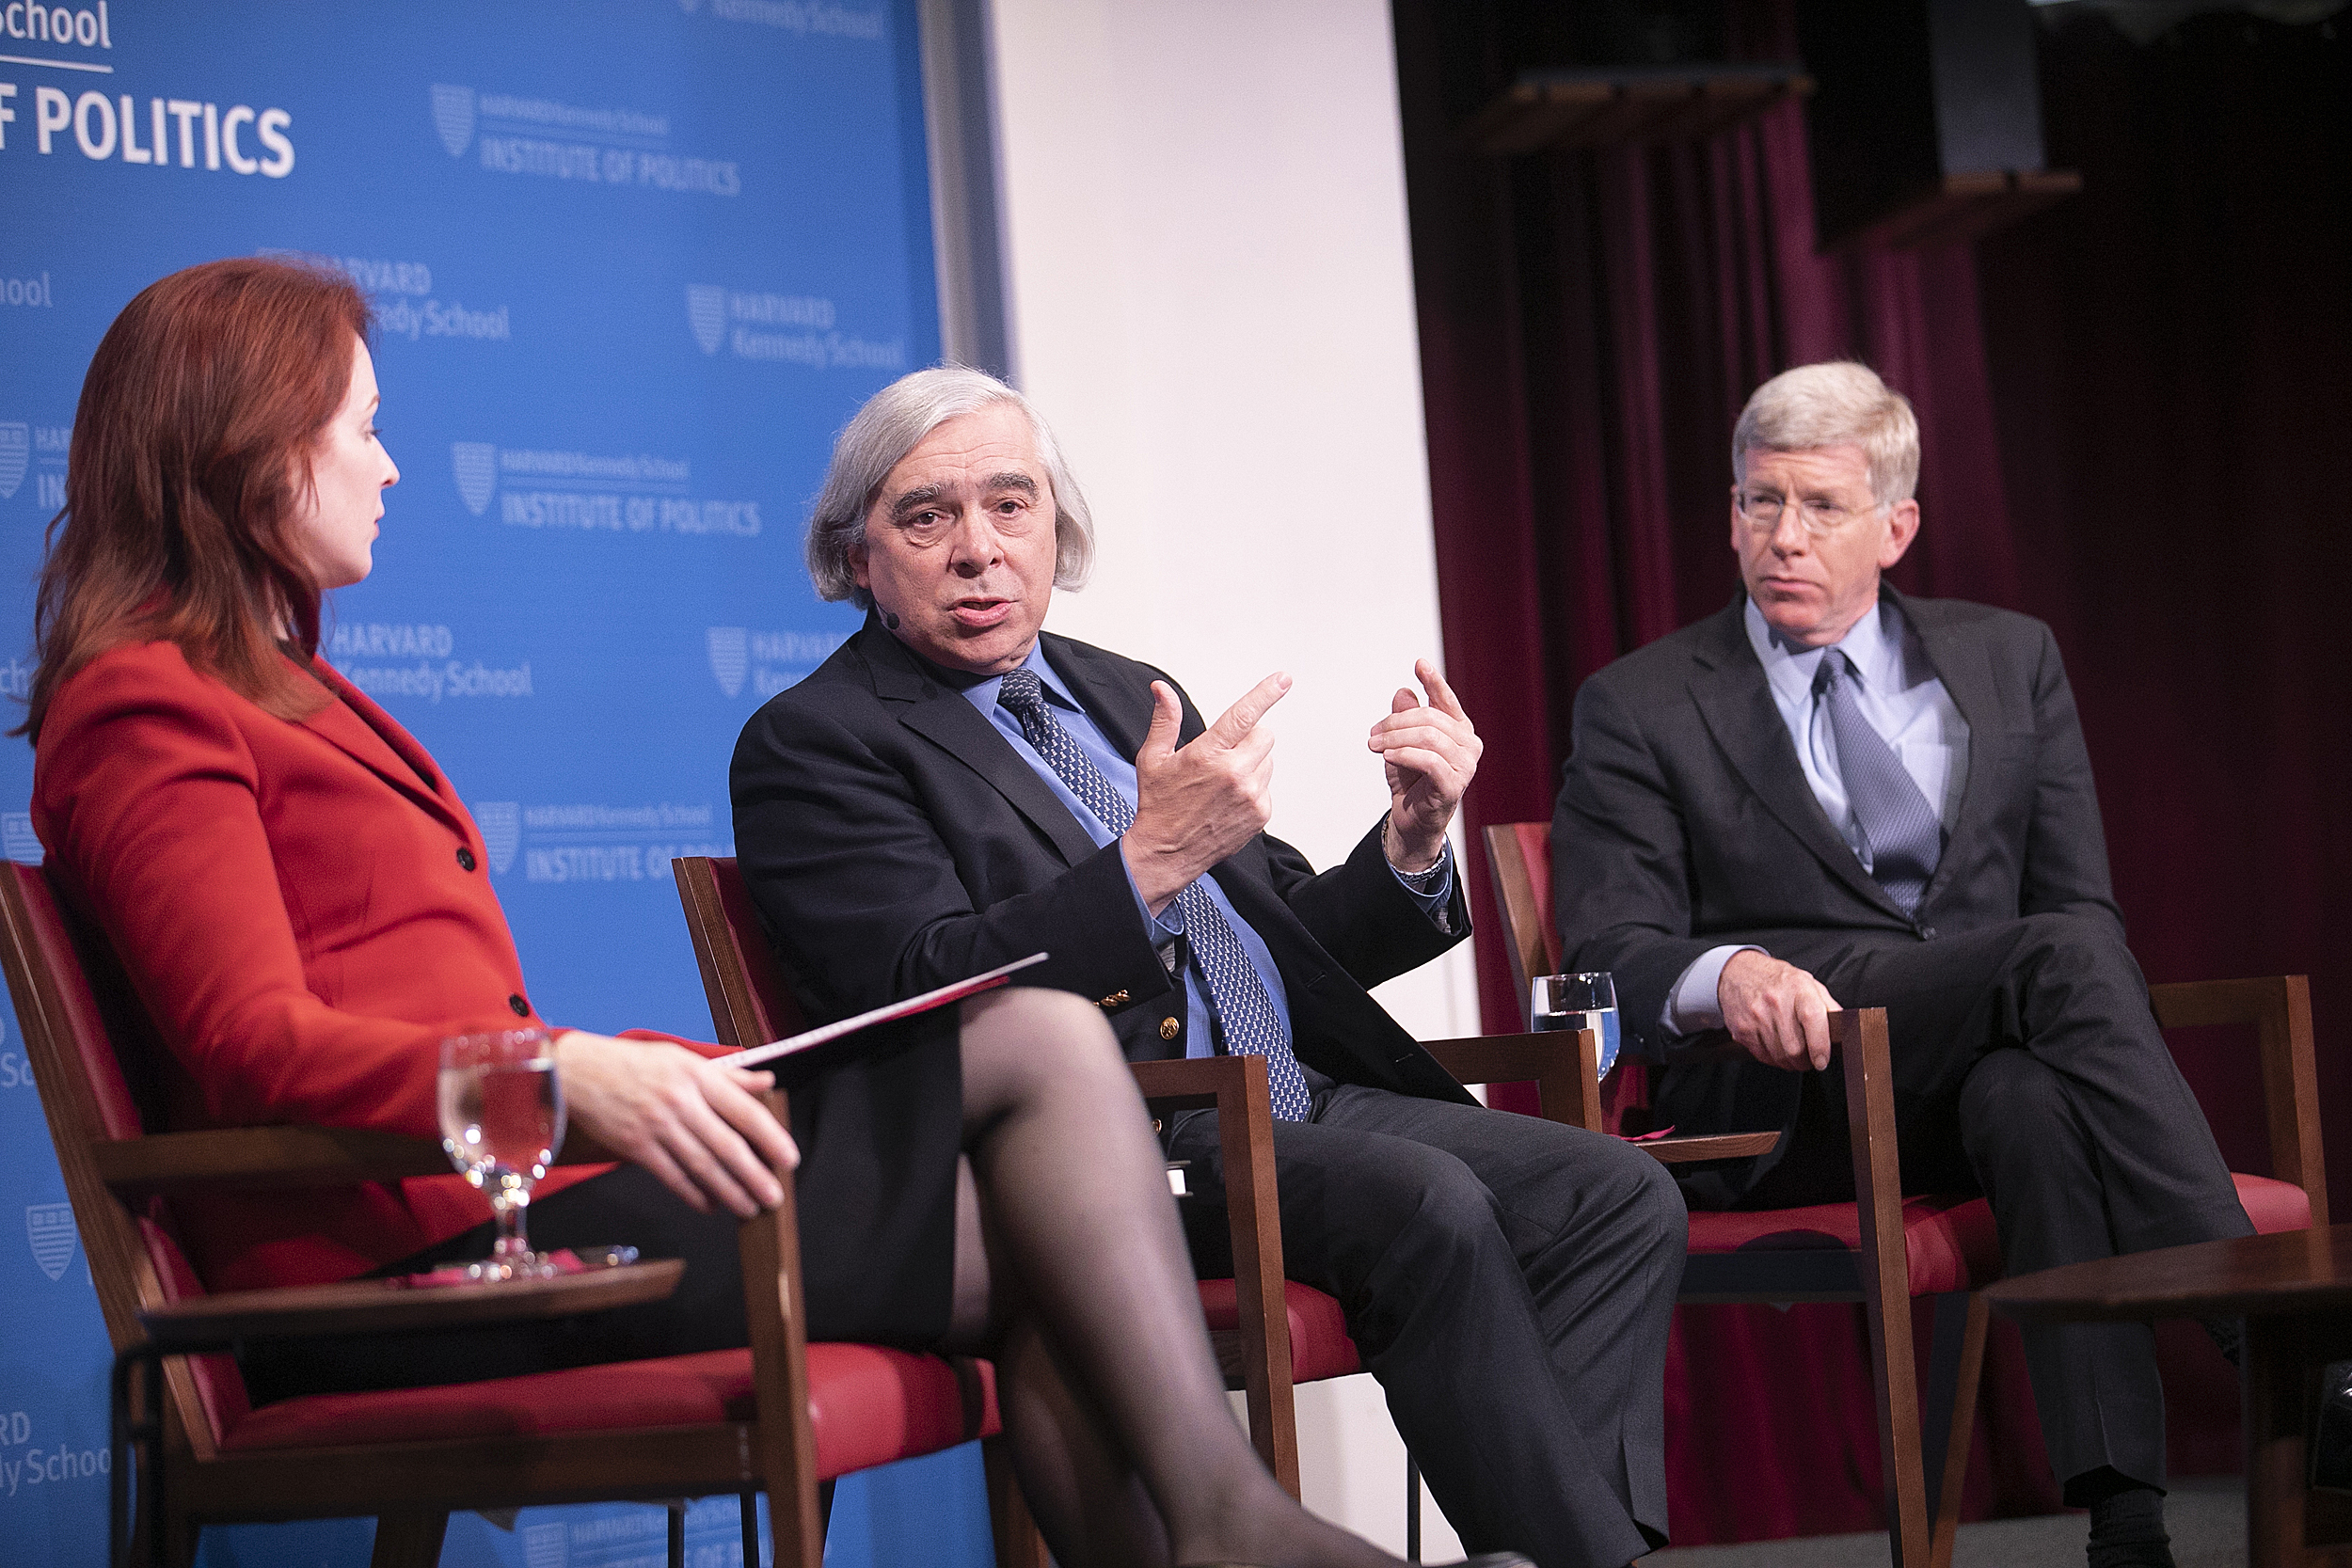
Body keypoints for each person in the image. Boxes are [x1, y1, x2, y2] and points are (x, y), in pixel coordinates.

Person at [24, 258, 1519, 1568]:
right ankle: (1235, 1530)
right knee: (1055, 1103)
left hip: (498, 1199)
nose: (392, 465)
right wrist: (565, 1075)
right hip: (396, 1261)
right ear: (250, 448)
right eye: (362, 427)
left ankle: (1224, 1534)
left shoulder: (262, 685)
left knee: (1056, 1133)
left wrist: (596, 1063)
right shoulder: (143, 705)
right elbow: (248, 1045)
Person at [730, 364, 1686, 1568]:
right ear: (855, 553)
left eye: (1011, 505)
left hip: (1302, 1099)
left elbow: (1287, 936)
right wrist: (1139, 867)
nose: (978, 548)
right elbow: (919, 990)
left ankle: (1568, 1549)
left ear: (1055, 529)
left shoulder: (1122, 690)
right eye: (927, 516)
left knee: (1615, 1196)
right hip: (1110, 1155)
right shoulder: (819, 741)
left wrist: (1411, 841)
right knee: (1427, 1202)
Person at [1551, 360, 2250, 1568]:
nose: (1781, 536)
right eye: (1757, 502)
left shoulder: (2008, 659)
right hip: (1797, 1085)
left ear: (1896, 524)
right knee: (2065, 960)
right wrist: (1728, 972)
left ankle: (2126, 1522)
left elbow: (2077, 897)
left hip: (1973, 1069)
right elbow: (1611, 948)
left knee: (2030, 1094)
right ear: (1728, 512)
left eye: (1820, 506)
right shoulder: (1642, 702)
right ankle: (2266, 1328)